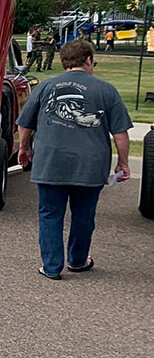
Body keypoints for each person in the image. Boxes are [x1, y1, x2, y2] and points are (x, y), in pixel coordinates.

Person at [17, 38, 132, 280]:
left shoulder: (46, 86)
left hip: (50, 162)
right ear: (88, 60)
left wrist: (25, 148)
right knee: (83, 214)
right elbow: (120, 133)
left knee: (50, 213)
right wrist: (123, 163)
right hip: (90, 165)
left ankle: (51, 266)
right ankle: (78, 260)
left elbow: (24, 124)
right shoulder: (106, 90)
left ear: (64, 61)